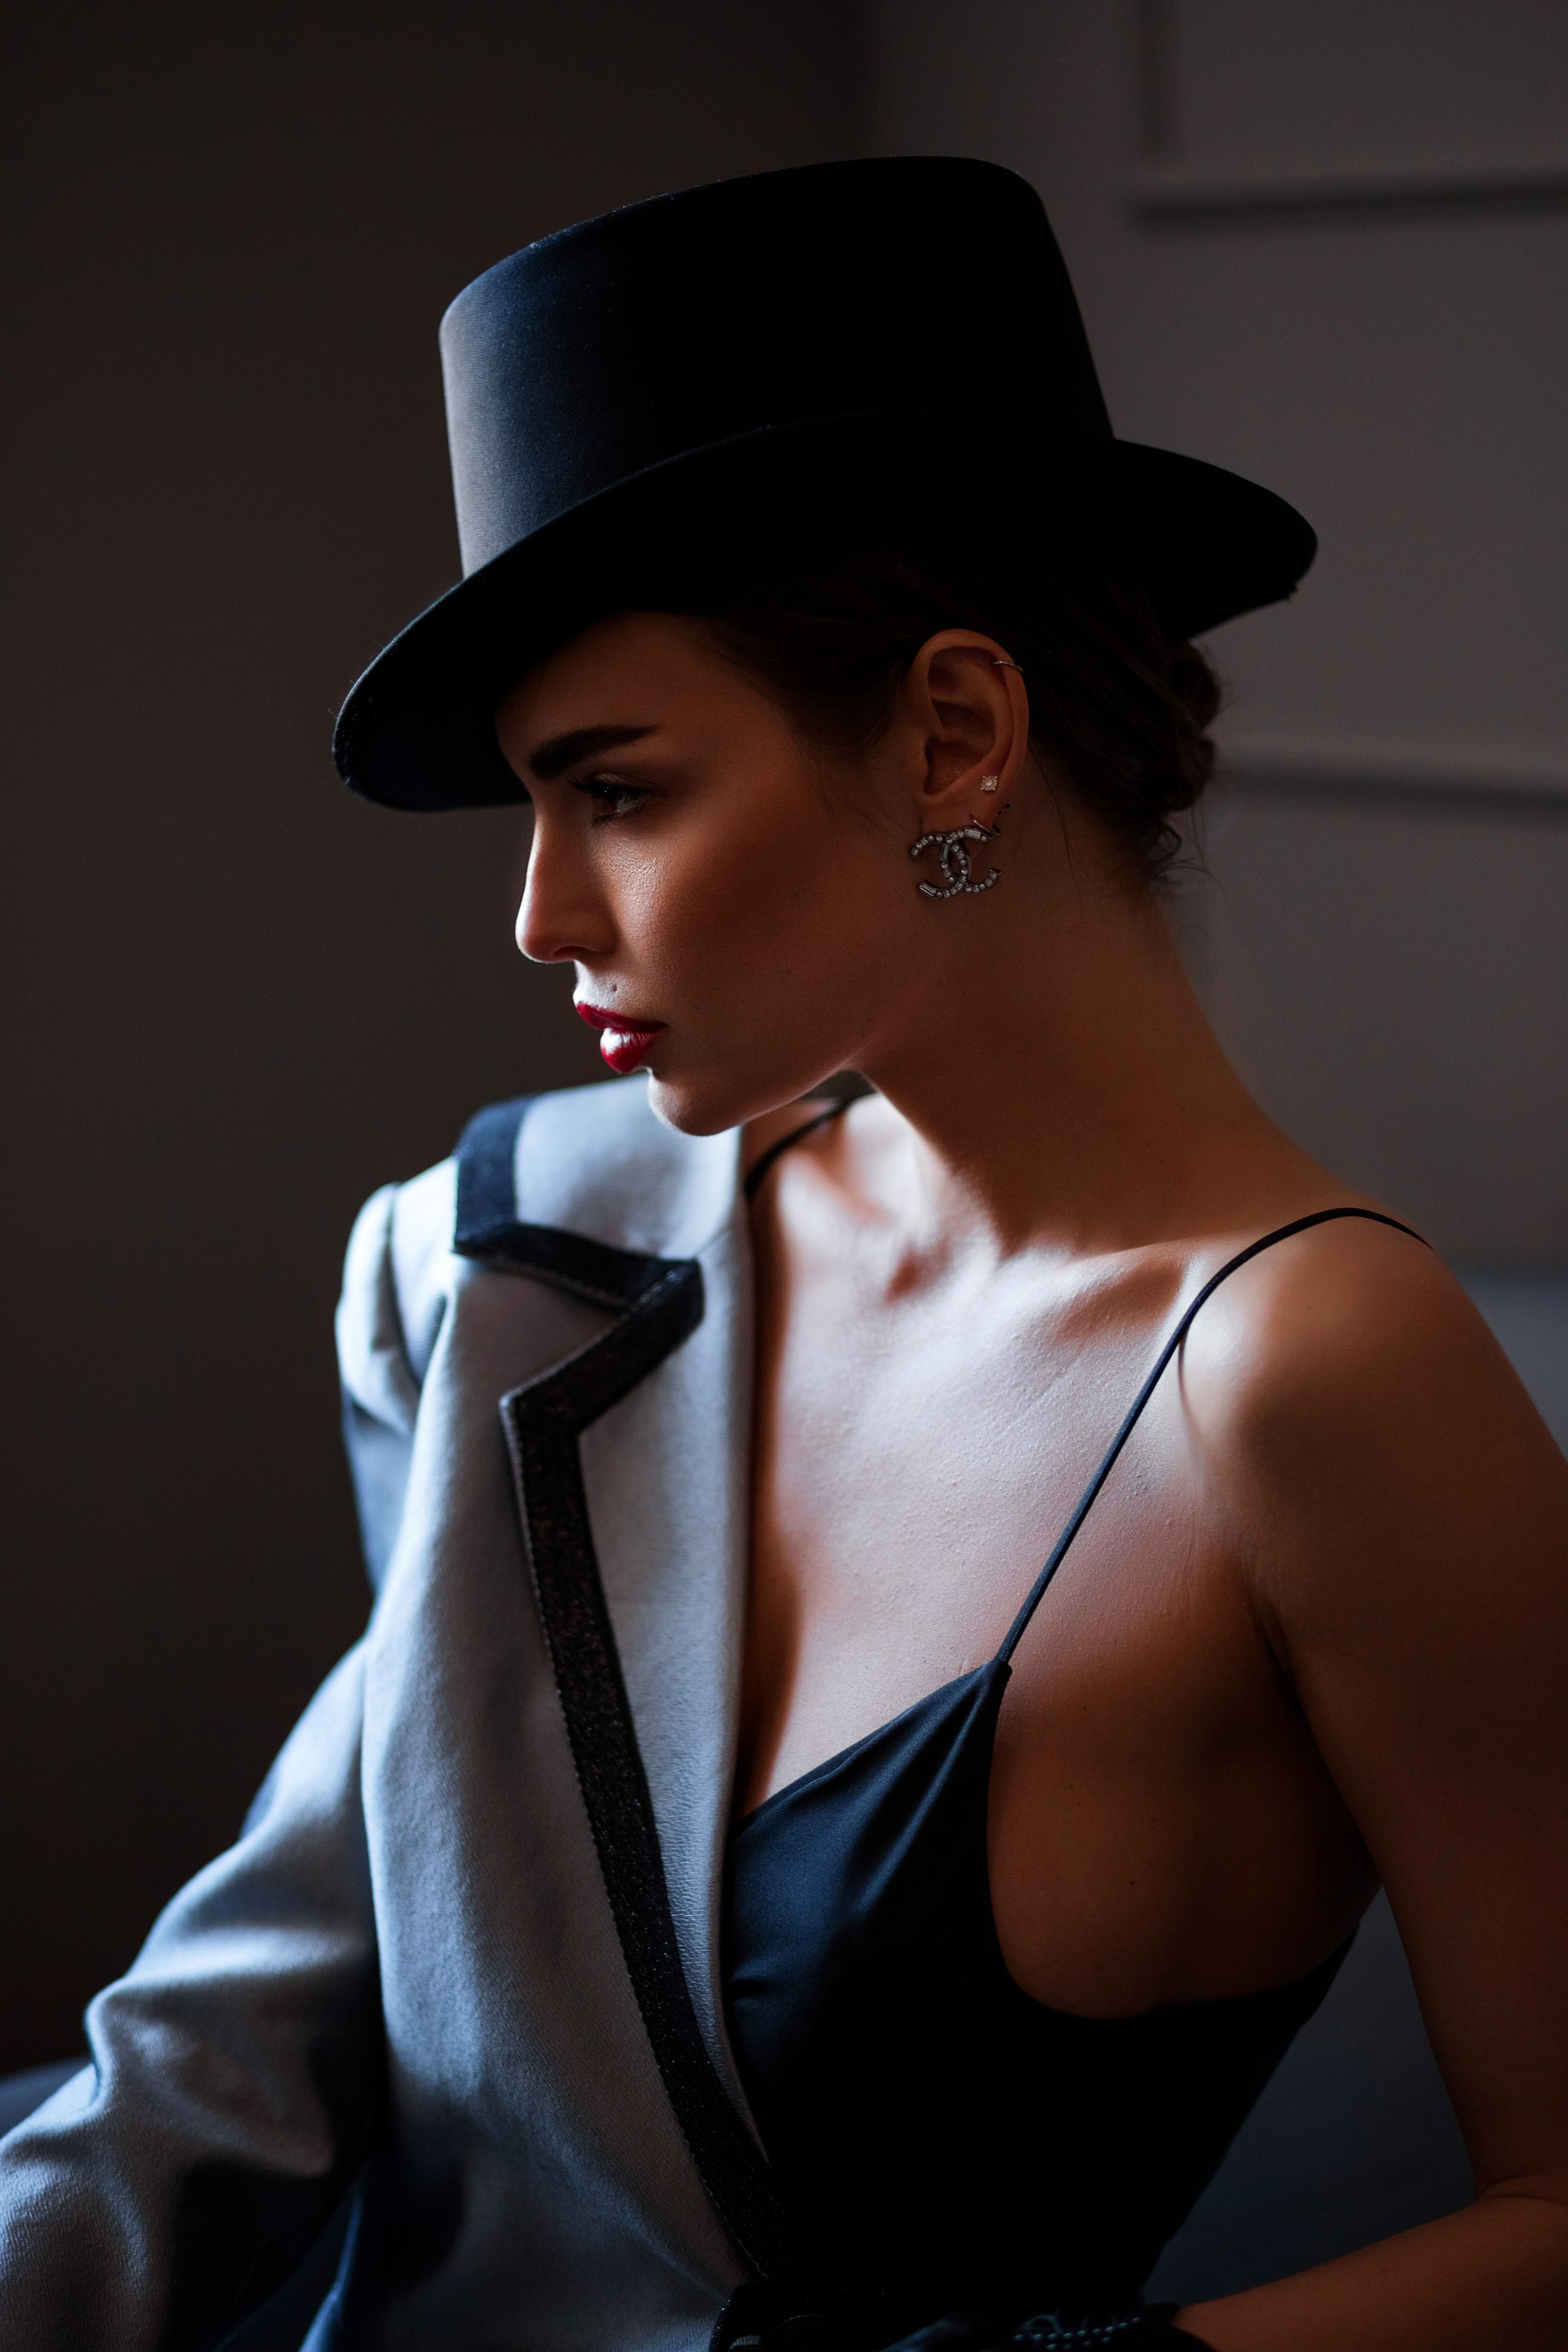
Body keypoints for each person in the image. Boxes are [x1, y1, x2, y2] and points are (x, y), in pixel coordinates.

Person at [2, 157, 1566, 2352]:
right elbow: (249, 2024)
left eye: (620, 790)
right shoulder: (523, 1265)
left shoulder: (1313, 1379)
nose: (540, 913)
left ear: (953, 737)